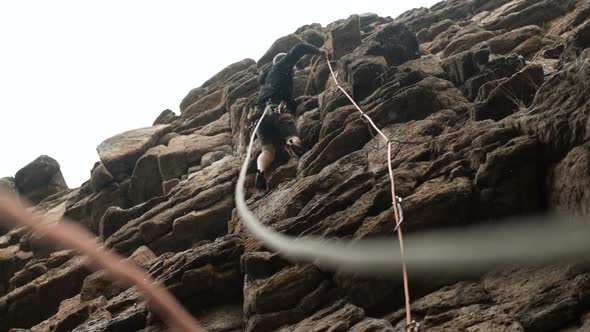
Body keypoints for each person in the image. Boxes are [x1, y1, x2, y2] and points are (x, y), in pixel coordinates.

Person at [254, 43, 325, 190]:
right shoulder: (282, 66)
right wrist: (318, 51)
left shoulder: (266, 80)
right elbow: (299, 48)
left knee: (267, 151)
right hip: (278, 110)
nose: (293, 69)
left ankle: (260, 172)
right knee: (291, 135)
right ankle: (294, 146)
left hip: (260, 117)